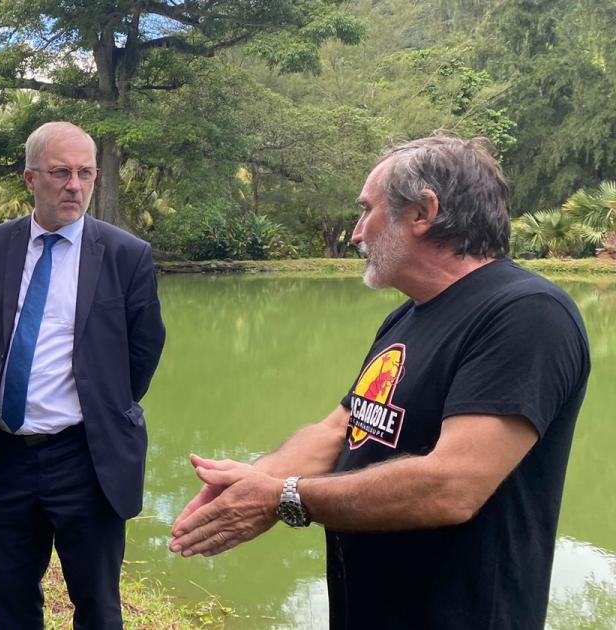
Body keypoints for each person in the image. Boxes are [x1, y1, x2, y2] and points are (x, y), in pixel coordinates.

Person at [169, 135, 590, 630]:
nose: (355, 233)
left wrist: (286, 497)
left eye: (367, 211)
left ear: (422, 212)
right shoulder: (408, 318)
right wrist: (257, 481)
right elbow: (339, 430)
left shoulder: (526, 315)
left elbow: (452, 485)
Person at [0, 121, 167, 628]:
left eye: (85, 173)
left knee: (98, 607)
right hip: (6, 455)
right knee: (10, 602)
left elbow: (144, 352)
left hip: (86, 459)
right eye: (60, 173)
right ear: (31, 178)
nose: (74, 185)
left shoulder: (126, 255)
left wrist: (101, 405)